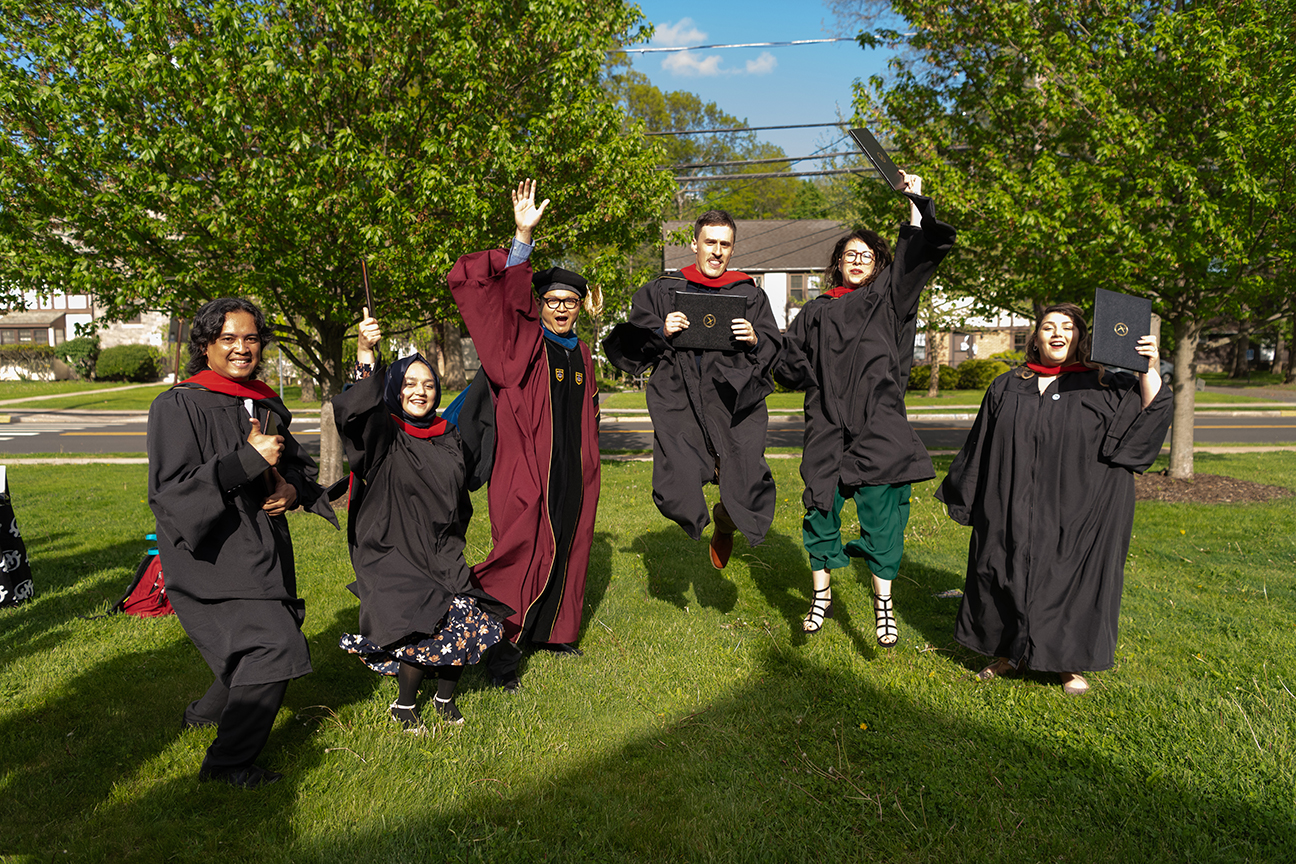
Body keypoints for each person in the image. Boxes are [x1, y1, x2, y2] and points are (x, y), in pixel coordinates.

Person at [935, 302, 1173, 695]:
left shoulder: (1104, 385)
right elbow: (981, 443)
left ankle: (1067, 664)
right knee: (1005, 570)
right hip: (1011, 500)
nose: (1057, 333)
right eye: (1048, 327)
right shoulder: (1008, 385)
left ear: (1081, 337)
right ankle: (1007, 654)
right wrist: (970, 493)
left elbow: (1151, 413)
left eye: (1067, 327)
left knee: (1069, 579)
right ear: (1036, 338)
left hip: (1078, 506)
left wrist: (1148, 367)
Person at [148, 297, 337, 788]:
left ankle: (203, 715)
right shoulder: (178, 405)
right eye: (228, 338)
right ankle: (228, 763)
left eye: (251, 338)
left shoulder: (264, 401)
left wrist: (292, 489)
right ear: (206, 345)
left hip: (262, 544)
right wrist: (246, 461)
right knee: (274, 645)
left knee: (262, 635)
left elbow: (293, 465)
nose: (241, 348)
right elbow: (172, 493)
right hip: (212, 552)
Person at [775, 174, 955, 646]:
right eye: (849, 255)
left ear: (878, 265)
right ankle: (821, 597)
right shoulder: (814, 312)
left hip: (879, 427)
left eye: (866, 256)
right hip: (826, 427)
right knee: (819, 508)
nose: (857, 261)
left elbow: (915, 258)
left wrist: (914, 202)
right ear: (837, 263)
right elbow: (788, 365)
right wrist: (759, 345)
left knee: (883, 518)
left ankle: (883, 605)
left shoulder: (888, 300)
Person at [445, 179, 602, 690]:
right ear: (541, 305)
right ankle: (501, 650)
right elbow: (510, 307)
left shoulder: (581, 354)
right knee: (519, 553)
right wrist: (522, 238)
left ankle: (554, 633)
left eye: (570, 302)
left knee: (569, 547)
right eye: (552, 300)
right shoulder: (525, 345)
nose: (561, 309)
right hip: (527, 471)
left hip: (573, 474)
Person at [332, 312, 513, 729]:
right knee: (422, 622)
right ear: (395, 389)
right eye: (410, 384)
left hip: (440, 550)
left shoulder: (446, 436)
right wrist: (365, 353)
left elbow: (466, 479)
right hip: (394, 552)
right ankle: (405, 705)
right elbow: (360, 412)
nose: (420, 392)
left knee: (466, 615)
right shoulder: (385, 435)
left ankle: (445, 698)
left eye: (429, 385)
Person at [602, 210, 781, 569]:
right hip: (680, 399)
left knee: (746, 487)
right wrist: (661, 331)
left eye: (725, 244)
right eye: (710, 242)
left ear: (733, 249)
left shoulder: (749, 294)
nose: (717, 251)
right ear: (694, 244)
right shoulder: (664, 289)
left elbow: (775, 348)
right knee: (674, 489)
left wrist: (756, 339)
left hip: (732, 402)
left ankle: (725, 524)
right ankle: (698, 516)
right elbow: (633, 344)